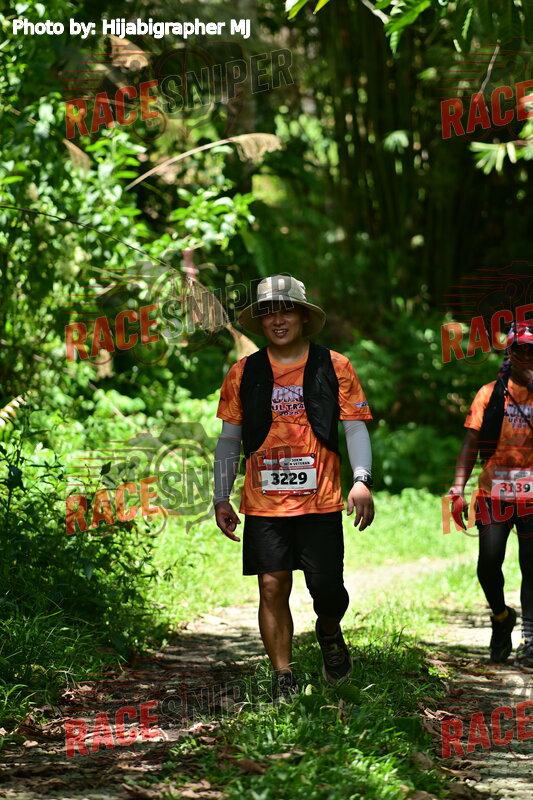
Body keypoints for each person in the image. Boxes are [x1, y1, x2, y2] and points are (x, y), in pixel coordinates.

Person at [212, 274, 374, 697]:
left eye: (286, 310)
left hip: (321, 501)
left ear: (303, 316)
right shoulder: (243, 372)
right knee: (271, 585)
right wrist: (220, 495)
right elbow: (229, 438)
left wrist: (361, 480)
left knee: (327, 591)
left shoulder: (335, 366)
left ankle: (329, 630)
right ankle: (284, 676)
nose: (278, 320)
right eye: (268, 312)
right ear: (260, 321)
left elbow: (355, 427)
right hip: (264, 502)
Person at [449, 322, 533, 671]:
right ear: (510, 353)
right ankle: (501, 616)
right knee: (489, 563)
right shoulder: (489, 394)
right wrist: (457, 488)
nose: (527, 356)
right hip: (493, 494)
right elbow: (470, 443)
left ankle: (531, 640)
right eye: (521, 349)